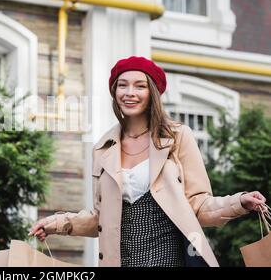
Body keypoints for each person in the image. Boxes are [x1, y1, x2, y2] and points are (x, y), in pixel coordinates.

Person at [28, 56, 267, 267]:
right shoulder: (103, 149)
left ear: (152, 92)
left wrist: (239, 202)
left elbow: (199, 206)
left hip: (169, 260)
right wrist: (57, 223)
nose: (129, 92)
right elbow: (102, 219)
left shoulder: (177, 137)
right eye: (122, 85)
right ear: (115, 92)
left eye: (139, 86)